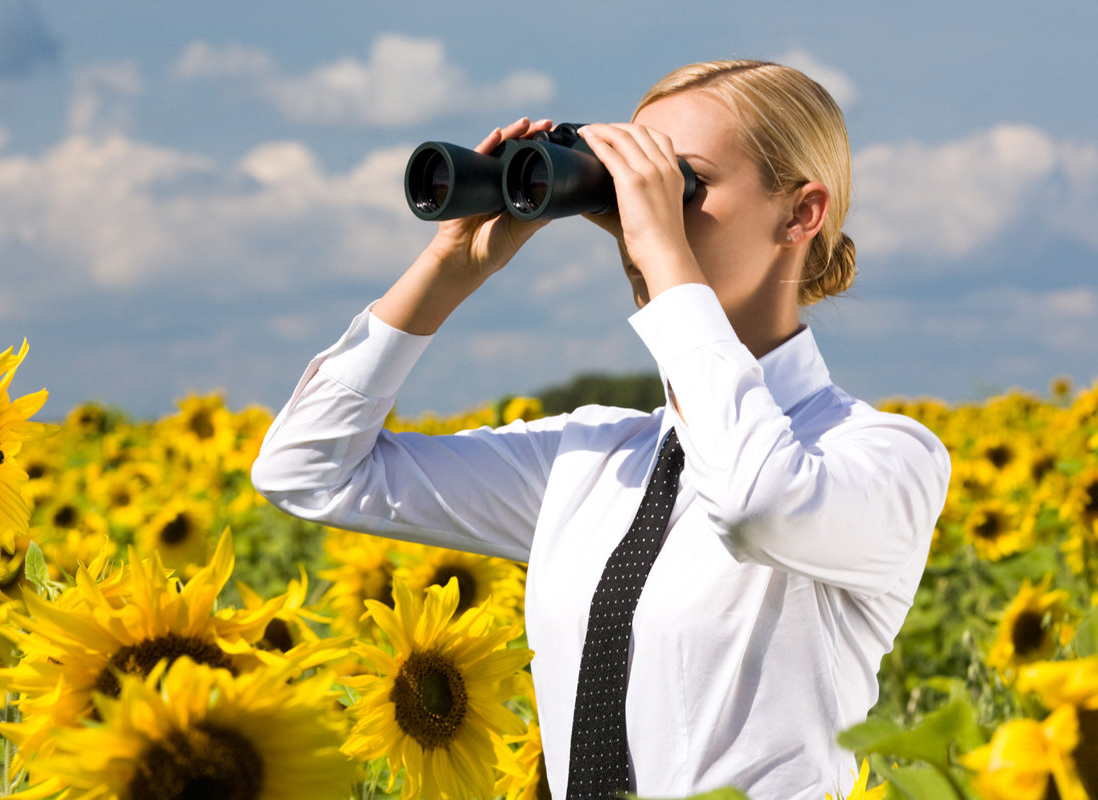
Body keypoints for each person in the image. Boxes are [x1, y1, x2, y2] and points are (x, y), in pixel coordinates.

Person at [251, 59, 951, 799]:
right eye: (625, 185)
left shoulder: (882, 458)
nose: (641, 214)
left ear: (802, 214)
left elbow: (754, 504)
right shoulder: (592, 460)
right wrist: (447, 266)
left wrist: (665, 260)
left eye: (682, 184)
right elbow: (307, 470)